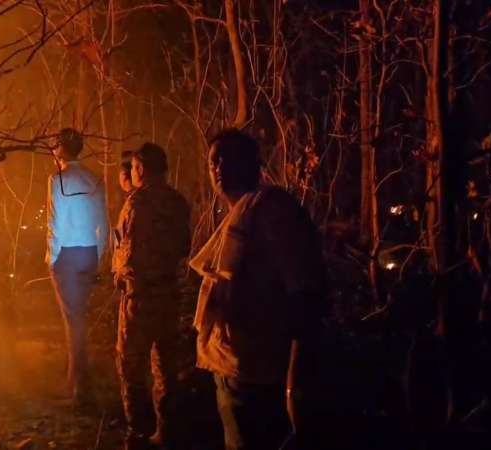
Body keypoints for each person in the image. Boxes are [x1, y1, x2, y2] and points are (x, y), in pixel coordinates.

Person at [189, 129, 325, 450]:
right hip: (235, 368)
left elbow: (305, 294)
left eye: (229, 158)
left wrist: (295, 381)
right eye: (213, 161)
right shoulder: (240, 216)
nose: (219, 167)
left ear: (252, 164)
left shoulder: (272, 211)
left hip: (261, 375)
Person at [113, 143, 191, 449]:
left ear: (141, 169)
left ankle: (139, 432)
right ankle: (168, 430)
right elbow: (184, 246)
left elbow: (127, 252)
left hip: (140, 297)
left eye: (133, 168)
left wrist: (119, 274)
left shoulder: (136, 204)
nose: (131, 174)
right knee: (166, 366)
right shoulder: (177, 201)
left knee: (131, 364)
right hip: (169, 293)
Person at [46, 128, 108, 406]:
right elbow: (103, 222)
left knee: (74, 322)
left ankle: (81, 389)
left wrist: (52, 257)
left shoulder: (57, 179)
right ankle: (75, 382)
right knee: (78, 318)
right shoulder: (94, 178)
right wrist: (100, 254)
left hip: (67, 256)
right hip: (89, 253)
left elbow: (54, 222)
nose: (52, 150)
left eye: (54, 145)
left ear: (60, 149)